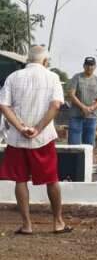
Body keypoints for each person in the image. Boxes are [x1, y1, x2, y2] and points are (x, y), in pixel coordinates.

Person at [0, 46, 72, 234]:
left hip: (17, 138)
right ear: (45, 61)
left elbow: (4, 106)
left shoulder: (13, 77)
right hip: (44, 137)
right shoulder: (53, 77)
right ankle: (58, 222)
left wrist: (21, 127)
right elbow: (56, 105)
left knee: (20, 180)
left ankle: (27, 225)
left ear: (27, 60)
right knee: (51, 179)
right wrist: (38, 128)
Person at [67, 57, 97, 146]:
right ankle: (74, 161)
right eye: (87, 65)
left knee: (89, 145)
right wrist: (83, 107)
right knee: (74, 145)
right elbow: (71, 94)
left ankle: (86, 160)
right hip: (76, 116)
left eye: (92, 65)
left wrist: (91, 108)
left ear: (95, 66)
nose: (89, 67)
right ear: (84, 66)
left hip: (91, 116)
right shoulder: (77, 77)